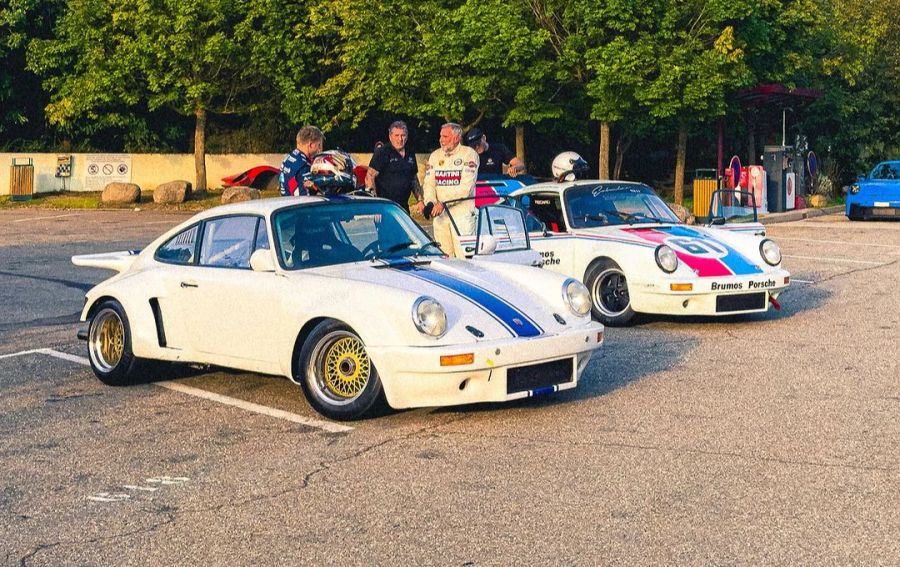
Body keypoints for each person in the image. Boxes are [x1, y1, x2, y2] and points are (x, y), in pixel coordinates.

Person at [422, 123, 479, 258]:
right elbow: (429, 183)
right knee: (444, 258)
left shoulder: (469, 154)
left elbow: (466, 189)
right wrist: (429, 203)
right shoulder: (435, 156)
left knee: (465, 259)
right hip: (440, 217)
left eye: (445, 136)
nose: (441, 139)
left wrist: (443, 203)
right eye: (440, 136)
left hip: (462, 215)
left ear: (456, 138)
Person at [365, 121, 423, 212]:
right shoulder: (382, 152)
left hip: (403, 207)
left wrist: (420, 200)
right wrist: (376, 205)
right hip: (384, 207)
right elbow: (370, 177)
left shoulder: (410, 153)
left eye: (403, 135)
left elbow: (413, 178)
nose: (400, 139)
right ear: (390, 136)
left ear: (407, 136)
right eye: (396, 135)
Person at [279, 126, 325, 196]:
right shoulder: (304, 166)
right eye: (318, 145)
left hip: (284, 201)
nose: (319, 149)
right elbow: (305, 197)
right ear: (311, 145)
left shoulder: (288, 159)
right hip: (296, 204)